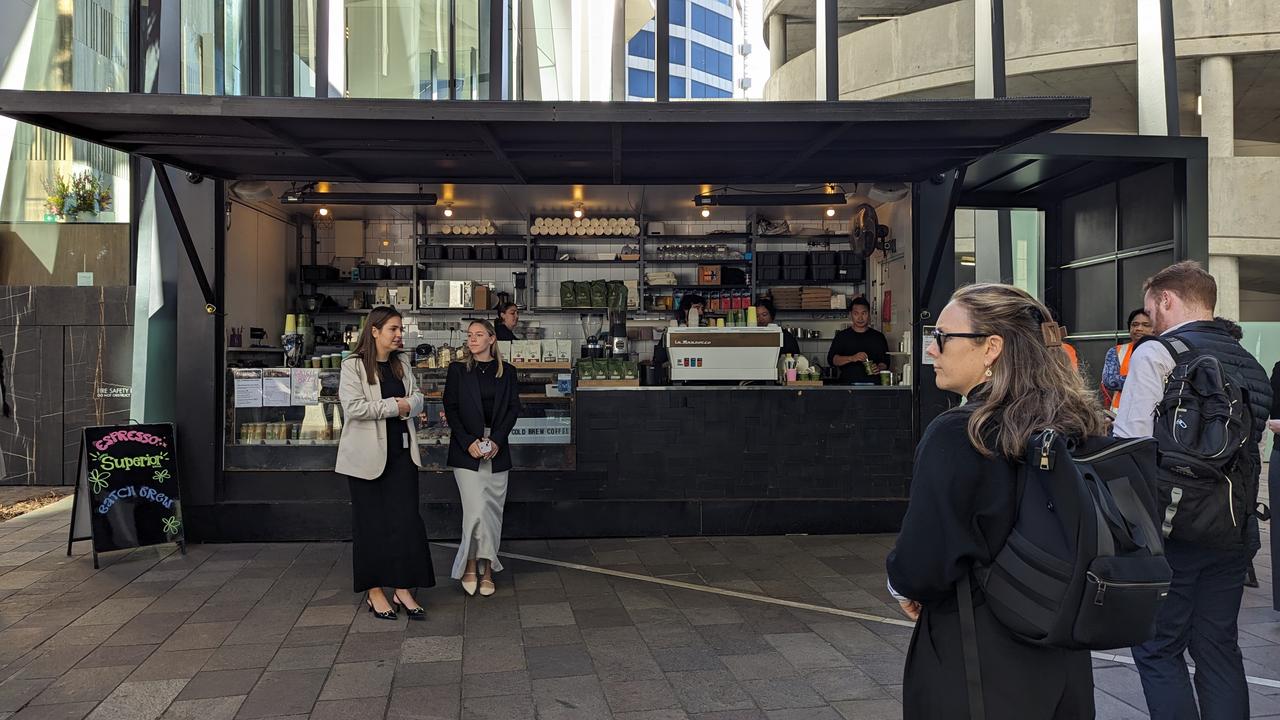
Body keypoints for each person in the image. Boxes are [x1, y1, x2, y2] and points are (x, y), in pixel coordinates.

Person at [886, 283, 1102, 719]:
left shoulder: (962, 433)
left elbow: (924, 560)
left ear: (991, 347)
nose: (932, 350)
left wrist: (901, 584)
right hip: (1062, 651)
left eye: (943, 337)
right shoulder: (1075, 421)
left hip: (978, 651)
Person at [1113, 261, 1272, 720]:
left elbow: (1132, 444)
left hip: (1172, 528)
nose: (1149, 320)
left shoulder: (1160, 352)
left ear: (1166, 299)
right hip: (1233, 528)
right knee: (1218, 647)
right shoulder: (1249, 360)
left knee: (1158, 648)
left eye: (1150, 308)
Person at [336, 306, 434, 620]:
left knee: (406, 523)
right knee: (371, 526)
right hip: (366, 459)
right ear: (374, 330)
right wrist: (397, 405)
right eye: (393, 329)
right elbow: (354, 408)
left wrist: (409, 403)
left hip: (403, 456)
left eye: (400, 329)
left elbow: (418, 396)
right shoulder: (353, 366)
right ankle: (374, 590)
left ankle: (403, 588)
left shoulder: (402, 362)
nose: (399, 335)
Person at [444, 320, 522, 597]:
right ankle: (470, 564)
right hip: (467, 452)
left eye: (479, 335)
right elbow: (450, 409)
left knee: (491, 514)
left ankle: (487, 568)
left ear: (492, 339)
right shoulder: (458, 370)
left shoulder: (508, 372)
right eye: (469, 335)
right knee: (475, 512)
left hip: (497, 452)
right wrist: (469, 443)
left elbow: (514, 409)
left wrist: (497, 440)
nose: (472, 339)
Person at [1101, 308, 1155, 410]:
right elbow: (1110, 381)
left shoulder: (1163, 351)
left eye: (1146, 325)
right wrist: (1150, 380)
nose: (1139, 328)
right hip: (1120, 415)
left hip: (1151, 413)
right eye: (1134, 324)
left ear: (1155, 328)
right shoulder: (1116, 351)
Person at [827, 297, 889, 384]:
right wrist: (852, 358)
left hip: (874, 386)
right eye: (856, 313)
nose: (860, 318)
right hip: (848, 386)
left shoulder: (878, 337)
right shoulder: (842, 336)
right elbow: (832, 360)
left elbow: (885, 362)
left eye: (864, 313)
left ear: (869, 314)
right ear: (850, 315)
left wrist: (879, 368)